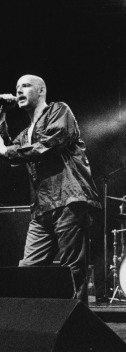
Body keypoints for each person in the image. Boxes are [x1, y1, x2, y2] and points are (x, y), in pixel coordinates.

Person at [0, 75, 101, 301]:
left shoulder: (59, 110)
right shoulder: (26, 133)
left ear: (41, 90)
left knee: (72, 271)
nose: (19, 91)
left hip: (68, 199)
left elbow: (48, 144)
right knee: (28, 271)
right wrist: (2, 113)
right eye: (17, 87)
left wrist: (7, 151)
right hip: (42, 208)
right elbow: (8, 152)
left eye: (26, 86)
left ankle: (76, 320)